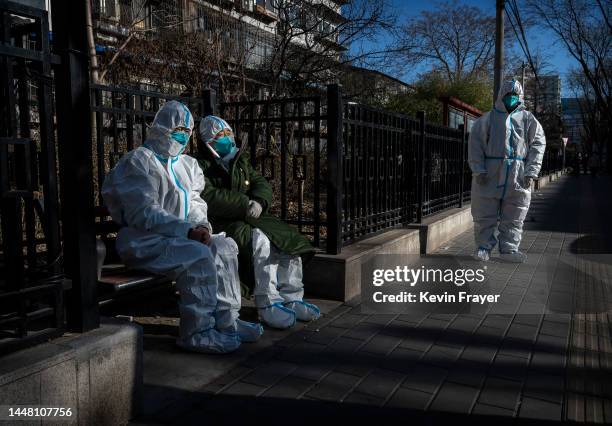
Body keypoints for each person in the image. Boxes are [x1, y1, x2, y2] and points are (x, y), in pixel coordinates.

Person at [101, 101, 263, 354]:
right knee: (197, 256)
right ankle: (197, 332)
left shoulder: (187, 165)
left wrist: (201, 226)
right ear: (161, 127)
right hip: (144, 241)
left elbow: (196, 202)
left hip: (181, 238)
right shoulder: (138, 162)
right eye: (177, 129)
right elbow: (143, 213)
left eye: (187, 131)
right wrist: (187, 232)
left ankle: (227, 320)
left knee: (224, 246)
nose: (183, 135)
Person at [197, 115, 320, 329]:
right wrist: (244, 203)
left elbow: (260, 182)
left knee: (288, 241)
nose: (226, 138)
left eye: (228, 133)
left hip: (252, 215)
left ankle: (292, 296)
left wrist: (260, 201)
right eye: (220, 135)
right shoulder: (200, 164)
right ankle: (268, 301)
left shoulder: (239, 159)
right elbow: (208, 195)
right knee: (260, 242)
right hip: (224, 221)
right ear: (208, 140)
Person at [468, 80, 546, 263]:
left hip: (518, 174)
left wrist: (531, 171)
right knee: (484, 213)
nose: (511, 98)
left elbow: (538, 144)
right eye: (507, 95)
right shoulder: (487, 119)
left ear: (520, 97)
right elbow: (475, 145)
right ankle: (483, 248)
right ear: (500, 96)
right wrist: (478, 169)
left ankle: (509, 250)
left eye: (515, 95)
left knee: (515, 213)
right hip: (490, 173)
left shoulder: (528, 119)